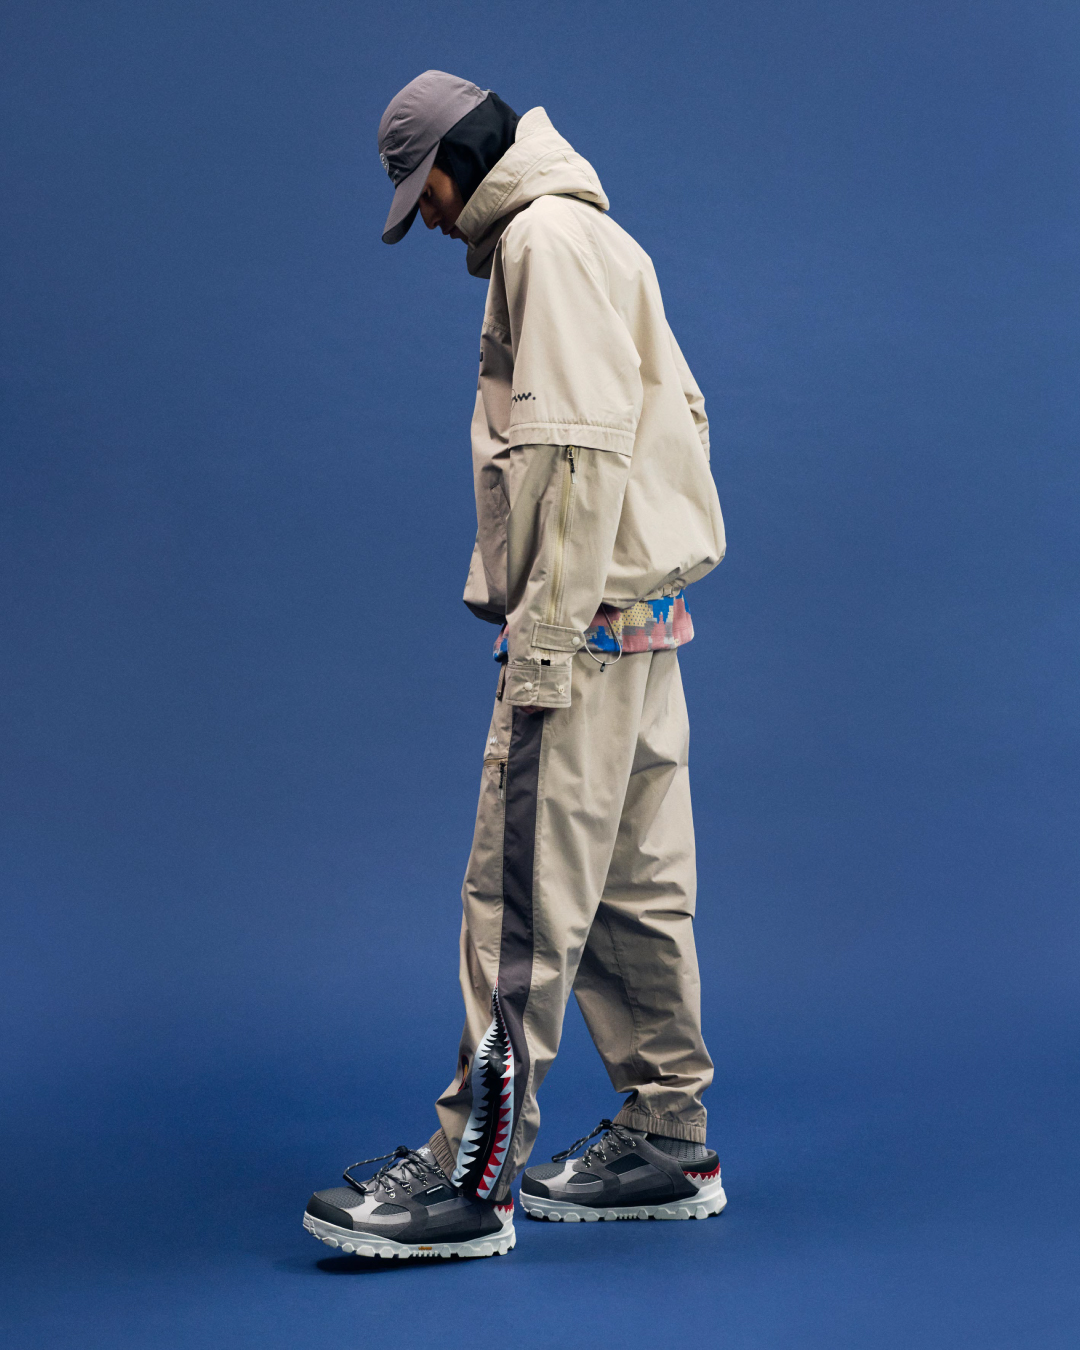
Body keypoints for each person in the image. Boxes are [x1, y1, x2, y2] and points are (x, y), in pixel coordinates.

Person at [303, 70, 727, 1261]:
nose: (431, 222)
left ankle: (468, 1175)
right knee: (637, 896)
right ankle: (668, 1137)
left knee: (520, 906)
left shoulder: (543, 241)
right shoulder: (597, 234)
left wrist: (544, 635)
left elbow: (576, 451)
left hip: (582, 633)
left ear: (454, 160)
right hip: (644, 621)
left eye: (423, 196)